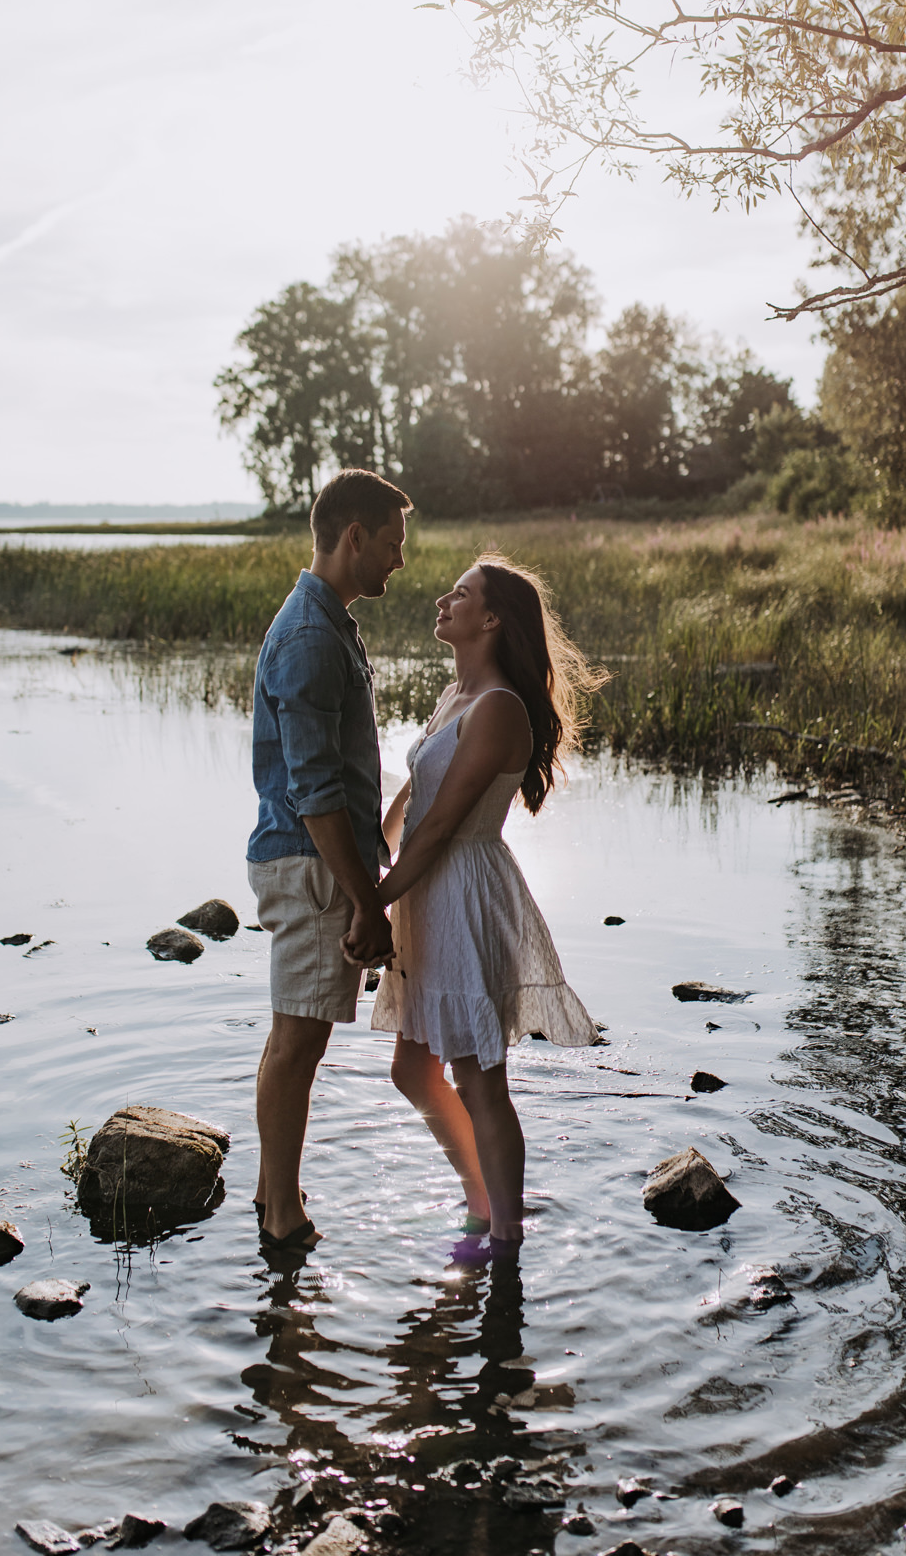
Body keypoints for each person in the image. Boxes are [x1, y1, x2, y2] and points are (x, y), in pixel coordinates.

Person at [355, 556, 602, 1260]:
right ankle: (480, 1197)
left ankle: (505, 1235)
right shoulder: (455, 694)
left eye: (459, 594)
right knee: (412, 1070)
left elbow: (442, 827)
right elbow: (412, 804)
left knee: (478, 1076)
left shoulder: (498, 707)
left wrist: (375, 903)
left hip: (461, 889)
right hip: (424, 890)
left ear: (491, 619)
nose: (442, 599)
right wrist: (364, 859)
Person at [247, 468, 411, 1254]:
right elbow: (314, 794)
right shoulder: (313, 637)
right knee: (298, 1041)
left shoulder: (327, 623)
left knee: (296, 1037)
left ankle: (270, 1188)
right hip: (312, 864)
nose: (398, 561)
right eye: (390, 544)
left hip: (317, 862)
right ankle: (282, 1219)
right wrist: (365, 900)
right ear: (354, 538)